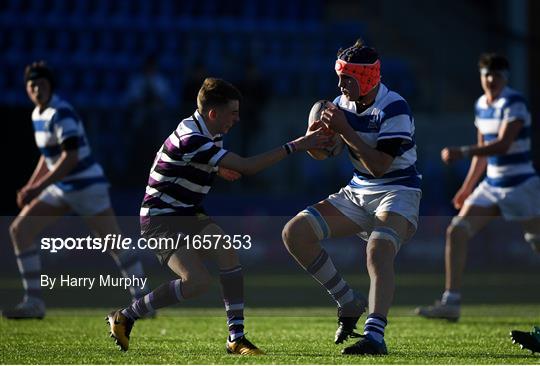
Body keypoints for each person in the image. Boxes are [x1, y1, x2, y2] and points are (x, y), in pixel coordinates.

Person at [106, 77, 331, 355]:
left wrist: (214, 168)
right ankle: (126, 315)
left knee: (228, 254)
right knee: (197, 282)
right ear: (214, 113)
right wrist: (296, 145)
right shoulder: (193, 138)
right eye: (233, 113)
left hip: (187, 213)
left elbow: (175, 160)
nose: (237, 119)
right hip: (159, 219)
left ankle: (236, 338)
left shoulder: (206, 131)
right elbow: (247, 167)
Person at [281, 39, 422, 355]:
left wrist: (344, 131)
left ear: (368, 78)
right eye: (340, 77)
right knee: (294, 233)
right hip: (359, 190)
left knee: (379, 248)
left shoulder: (394, 107)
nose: (341, 85)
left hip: (398, 190)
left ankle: (374, 336)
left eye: (348, 78)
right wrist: (316, 142)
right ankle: (348, 300)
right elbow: (324, 154)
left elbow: (380, 165)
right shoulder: (340, 104)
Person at [2, 61, 151, 319]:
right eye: (32, 85)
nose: (37, 89)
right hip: (62, 187)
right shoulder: (38, 114)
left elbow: (69, 157)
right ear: (26, 88)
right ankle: (34, 302)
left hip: (86, 186)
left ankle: (143, 299)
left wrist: (38, 187)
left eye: (42, 84)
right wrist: (31, 186)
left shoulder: (62, 113)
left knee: (113, 241)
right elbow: (48, 157)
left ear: (51, 86)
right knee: (20, 229)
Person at [415, 53, 540, 322]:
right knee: (457, 230)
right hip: (492, 183)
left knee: (537, 242)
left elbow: (503, 144)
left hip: (521, 185)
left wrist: (463, 151)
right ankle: (452, 302)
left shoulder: (514, 102)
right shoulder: (481, 105)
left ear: (505, 78)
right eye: (487, 74)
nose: (492, 79)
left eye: (497, 75)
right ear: (481, 77)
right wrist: (467, 187)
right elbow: (484, 155)